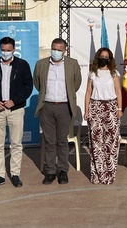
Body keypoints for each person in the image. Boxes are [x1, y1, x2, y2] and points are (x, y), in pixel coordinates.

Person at [0, 36, 33, 189]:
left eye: (8, 50)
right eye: (3, 50)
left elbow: (27, 87)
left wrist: (14, 101)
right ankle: (0, 175)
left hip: (15, 110)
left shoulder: (22, 65)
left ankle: (15, 174)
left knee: (16, 144)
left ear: (14, 50)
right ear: (0, 49)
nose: (5, 53)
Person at [33, 38, 82, 186]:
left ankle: (62, 170)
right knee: (49, 141)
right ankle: (50, 172)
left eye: (59, 49)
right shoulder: (41, 64)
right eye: (54, 48)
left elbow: (76, 83)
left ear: (64, 51)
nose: (56, 51)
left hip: (64, 107)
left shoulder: (72, 64)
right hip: (46, 106)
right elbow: (37, 83)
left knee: (62, 141)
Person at [84, 47, 123, 185]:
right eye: (102, 56)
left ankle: (109, 174)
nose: (104, 58)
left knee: (111, 142)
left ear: (110, 58)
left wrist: (119, 108)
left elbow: (118, 91)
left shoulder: (114, 73)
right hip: (95, 107)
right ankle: (96, 174)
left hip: (111, 107)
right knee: (96, 142)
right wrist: (86, 110)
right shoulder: (92, 73)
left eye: (106, 56)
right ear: (97, 57)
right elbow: (88, 92)